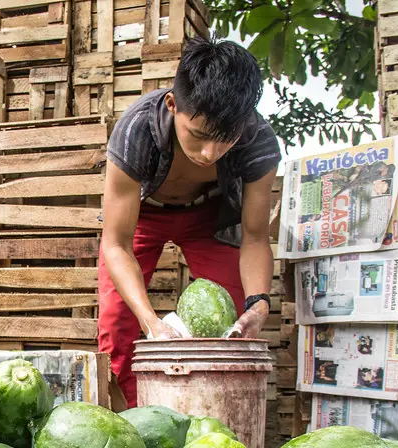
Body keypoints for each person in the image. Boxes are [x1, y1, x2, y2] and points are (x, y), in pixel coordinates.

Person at [98, 36, 281, 408]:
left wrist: (259, 305)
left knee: (231, 314)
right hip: (144, 215)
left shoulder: (258, 142)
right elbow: (115, 244)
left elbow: (256, 238)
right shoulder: (137, 130)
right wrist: (151, 324)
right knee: (118, 322)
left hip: (210, 218)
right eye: (198, 136)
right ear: (171, 105)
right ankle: (132, 418)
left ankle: (213, 416)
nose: (210, 153)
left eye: (225, 139)